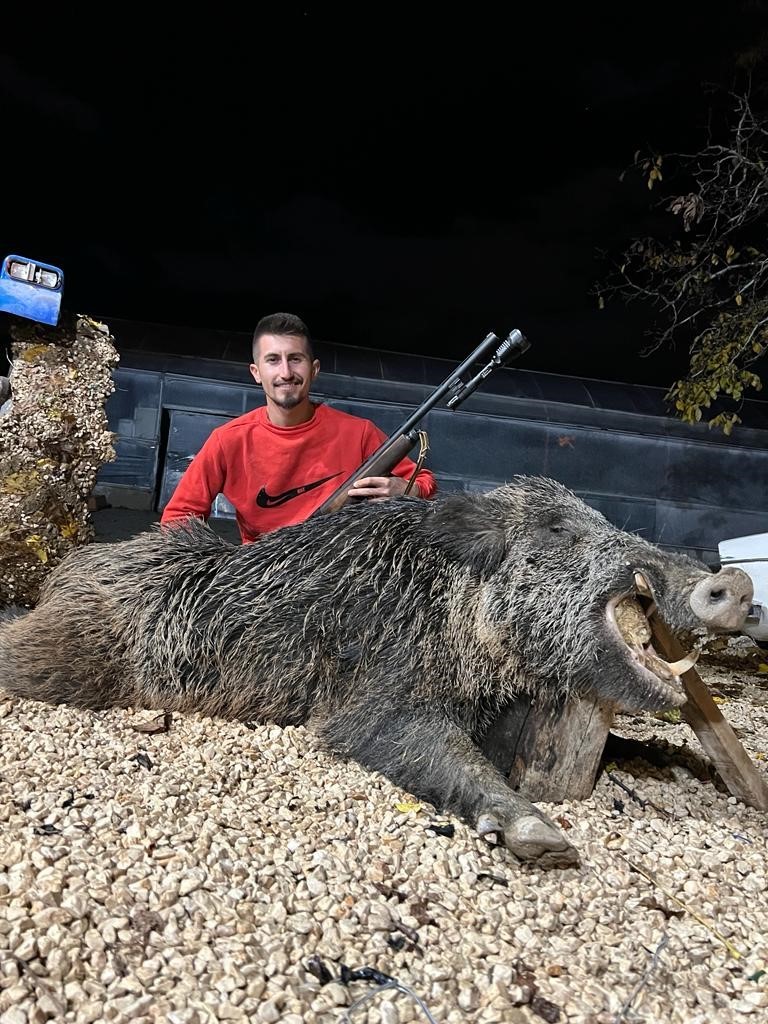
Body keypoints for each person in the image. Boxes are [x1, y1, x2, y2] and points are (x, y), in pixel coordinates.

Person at [160, 312, 438, 543]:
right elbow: (178, 517)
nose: (286, 373)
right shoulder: (227, 440)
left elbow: (425, 482)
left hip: (340, 573)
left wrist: (408, 490)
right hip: (260, 577)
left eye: (295, 359)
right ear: (256, 373)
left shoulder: (359, 433)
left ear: (314, 369)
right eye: (273, 360)